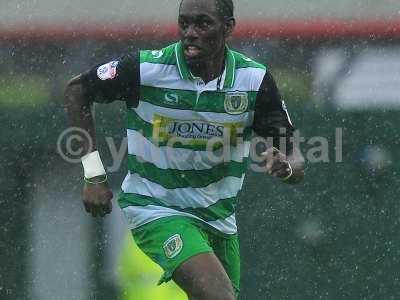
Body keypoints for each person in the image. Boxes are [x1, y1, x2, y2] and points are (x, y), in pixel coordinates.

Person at [65, 0, 305, 299]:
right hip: (156, 207)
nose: (190, 32)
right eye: (184, 23)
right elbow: (77, 91)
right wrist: (94, 174)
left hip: (218, 217)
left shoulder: (253, 80)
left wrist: (287, 167)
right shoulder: (146, 69)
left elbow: (295, 157)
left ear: (228, 27)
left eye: (202, 24)